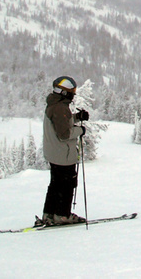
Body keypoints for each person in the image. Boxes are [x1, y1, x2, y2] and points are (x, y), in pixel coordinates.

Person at [41, 75, 89, 225]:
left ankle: (49, 214)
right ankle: (62, 214)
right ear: (64, 92)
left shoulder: (54, 105)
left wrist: (76, 117)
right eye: (71, 91)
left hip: (54, 153)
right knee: (67, 184)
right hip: (63, 155)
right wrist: (80, 130)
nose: (73, 94)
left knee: (56, 184)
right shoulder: (60, 107)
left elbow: (62, 121)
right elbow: (64, 134)